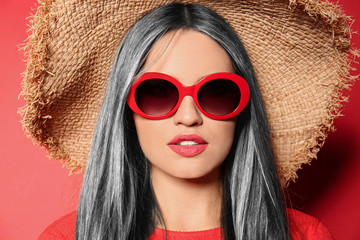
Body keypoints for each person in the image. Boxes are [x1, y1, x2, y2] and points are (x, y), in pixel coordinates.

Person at [20, 1, 356, 239]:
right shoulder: (65, 237)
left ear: (242, 110)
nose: (189, 117)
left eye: (217, 92)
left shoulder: (305, 236)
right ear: (126, 111)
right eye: (157, 92)